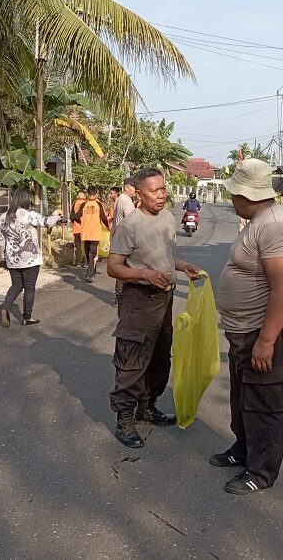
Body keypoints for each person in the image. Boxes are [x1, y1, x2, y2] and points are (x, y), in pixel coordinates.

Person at [210, 158, 283, 495]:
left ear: (246, 195)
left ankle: (261, 472)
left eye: (234, 193)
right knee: (242, 395)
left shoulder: (275, 225)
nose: (232, 199)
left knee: (263, 401)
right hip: (245, 330)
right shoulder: (259, 221)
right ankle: (243, 450)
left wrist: (266, 341)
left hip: (263, 331)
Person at [107, 168, 201, 449]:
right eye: (154, 191)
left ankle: (147, 407)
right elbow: (114, 267)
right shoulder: (130, 225)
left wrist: (182, 266)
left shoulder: (168, 217)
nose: (161, 195)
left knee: (160, 356)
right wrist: (145, 275)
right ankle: (125, 418)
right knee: (132, 359)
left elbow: (167, 254)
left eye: (163, 188)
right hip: (139, 299)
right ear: (138, 193)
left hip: (164, 298)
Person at [0, 188, 62, 327]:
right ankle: (27, 317)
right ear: (26, 200)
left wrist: (3, 258)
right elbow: (48, 222)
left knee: (16, 285)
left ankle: (5, 308)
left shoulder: (3, 217)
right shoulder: (29, 215)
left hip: (12, 259)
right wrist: (56, 213)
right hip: (30, 259)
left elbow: (1, 240)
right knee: (30, 287)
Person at [111, 177, 137, 305]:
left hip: (118, 236)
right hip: (125, 238)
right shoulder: (126, 201)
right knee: (127, 267)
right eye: (133, 187)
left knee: (121, 266)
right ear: (127, 187)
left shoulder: (119, 199)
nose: (135, 190)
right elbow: (133, 220)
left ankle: (119, 294)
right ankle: (122, 295)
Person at [77, 186, 110, 283]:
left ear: (87, 194)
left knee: (88, 253)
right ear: (96, 195)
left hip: (86, 233)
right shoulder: (98, 205)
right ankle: (91, 272)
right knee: (92, 254)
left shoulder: (83, 205)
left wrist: (84, 222)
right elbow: (104, 217)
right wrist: (107, 226)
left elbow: (75, 216)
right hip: (95, 233)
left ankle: (89, 273)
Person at [71, 191, 87, 268]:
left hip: (76, 229)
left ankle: (78, 262)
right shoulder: (86, 203)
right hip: (85, 229)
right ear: (84, 196)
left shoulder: (74, 203)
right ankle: (86, 262)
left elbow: (71, 217)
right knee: (86, 246)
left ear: (77, 196)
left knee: (78, 246)